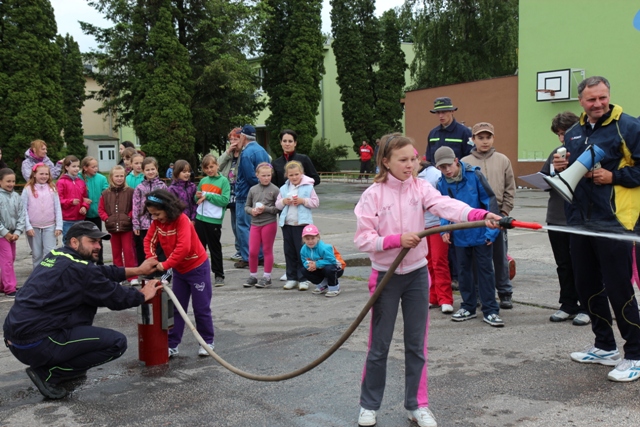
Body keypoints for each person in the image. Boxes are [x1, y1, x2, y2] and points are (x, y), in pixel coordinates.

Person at [354, 134, 501, 427]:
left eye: (413, 159)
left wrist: (480, 214)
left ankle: (417, 405)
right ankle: (368, 405)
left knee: (416, 344)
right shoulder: (373, 195)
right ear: (386, 162)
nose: (410, 165)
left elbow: (447, 206)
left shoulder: (421, 187)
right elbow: (363, 239)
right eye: (403, 160)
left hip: (417, 275)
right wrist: (396, 240)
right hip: (385, 276)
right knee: (379, 345)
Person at [3, 221, 161, 399]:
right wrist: (142, 295)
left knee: (83, 304)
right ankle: (49, 373)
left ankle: (64, 366)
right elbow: (116, 297)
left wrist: (138, 270)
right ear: (74, 242)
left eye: (99, 242)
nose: (98, 246)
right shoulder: (80, 270)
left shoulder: (57, 255)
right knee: (117, 343)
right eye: (92, 241)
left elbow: (100, 272)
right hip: (36, 343)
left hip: (15, 339)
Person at [552, 76, 640, 382]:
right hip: (580, 222)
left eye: (603, 97)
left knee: (619, 288)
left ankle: (635, 353)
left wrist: (614, 177)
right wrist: (561, 168)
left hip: (614, 222)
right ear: (581, 101)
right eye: (592, 99)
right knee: (587, 285)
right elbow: (573, 172)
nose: (598, 104)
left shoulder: (629, 126)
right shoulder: (573, 132)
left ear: (609, 95)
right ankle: (604, 346)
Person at [435, 146, 503, 327]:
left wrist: (491, 232)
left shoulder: (475, 175)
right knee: (463, 272)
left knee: (485, 272)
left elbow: (490, 202)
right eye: (442, 167)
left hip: (481, 233)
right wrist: (444, 229)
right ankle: (468, 306)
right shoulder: (441, 183)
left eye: (449, 165)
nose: (447, 170)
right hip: (460, 236)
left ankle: (490, 310)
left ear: (456, 160)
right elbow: (443, 208)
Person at [144, 190, 215, 358]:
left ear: (168, 209)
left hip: (197, 268)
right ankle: (172, 344)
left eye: (157, 214)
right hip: (179, 270)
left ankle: (207, 342)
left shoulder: (182, 221)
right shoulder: (157, 223)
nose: (155, 218)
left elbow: (183, 248)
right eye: (152, 214)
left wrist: (164, 265)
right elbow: (149, 240)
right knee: (177, 307)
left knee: (201, 308)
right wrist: (151, 259)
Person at [540, 111, 590, 326]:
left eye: (565, 133)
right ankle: (568, 304)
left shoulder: (586, 150)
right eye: (559, 134)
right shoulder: (556, 153)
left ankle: (588, 307)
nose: (562, 138)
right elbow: (544, 178)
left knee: (584, 265)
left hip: (580, 219)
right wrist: (552, 174)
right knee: (563, 264)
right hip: (557, 217)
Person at [462, 122, 516, 309]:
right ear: (473, 139)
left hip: (498, 215)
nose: (485, 141)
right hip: (476, 218)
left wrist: (504, 212)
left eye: (488, 137)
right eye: (480, 138)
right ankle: (479, 293)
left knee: (500, 257)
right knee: (477, 259)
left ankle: (504, 292)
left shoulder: (503, 160)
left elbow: (510, 188)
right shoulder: (465, 162)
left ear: (493, 138)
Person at [275, 161, 320, 291]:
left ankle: (304, 278)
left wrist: (303, 201)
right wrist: (284, 201)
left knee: (302, 252)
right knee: (289, 252)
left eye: (296, 174)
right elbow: (277, 204)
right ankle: (292, 278)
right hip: (287, 224)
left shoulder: (308, 187)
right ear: (287, 175)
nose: (294, 177)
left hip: (302, 224)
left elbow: (316, 203)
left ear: (301, 173)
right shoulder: (284, 188)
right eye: (291, 175)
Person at [417, 160, 453, 314]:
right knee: (427, 263)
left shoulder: (434, 175)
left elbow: (445, 198)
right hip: (421, 226)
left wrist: (446, 224)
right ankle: (433, 296)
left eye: (411, 159)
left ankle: (445, 298)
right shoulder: (407, 176)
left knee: (439, 261)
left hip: (437, 224)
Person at [233, 124, 270, 269]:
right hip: (260, 195)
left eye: (239, 136)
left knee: (243, 226)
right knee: (257, 226)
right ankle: (260, 256)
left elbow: (249, 177)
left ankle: (248, 257)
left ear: (243, 136)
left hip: (245, 195)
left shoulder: (246, 153)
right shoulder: (263, 151)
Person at [194, 154, 230, 286]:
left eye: (211, 166)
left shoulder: (223, 181)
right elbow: (197, 199)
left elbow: (224, 200)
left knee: (214, 248)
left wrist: (207, 196)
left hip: (213, 220)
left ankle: (219, 275)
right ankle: (200, 273)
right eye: (206, 168)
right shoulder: (203, 181)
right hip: (200, 218)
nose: (209, 170)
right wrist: (197, 196)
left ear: (217, 166)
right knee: (199, 248)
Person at [243, 162, 280, 288]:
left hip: (269, 223)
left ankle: (267, 276)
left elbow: (278, 208)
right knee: (253, 251)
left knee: (267, 250)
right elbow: (246, 207)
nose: (266, 178)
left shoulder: (275, 189)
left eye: (268, 175)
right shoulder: (252, 189)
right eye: (263, 175)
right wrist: (252, 211)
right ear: (257, 175)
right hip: (255, 223)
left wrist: (266, 209)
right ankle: (253, 275)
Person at [98, 165, 137, 282]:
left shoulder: (130, 192)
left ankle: (132, 276)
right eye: (117, 176)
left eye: (121, 176)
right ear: (111, 177)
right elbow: (101, 209)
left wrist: (128, 217)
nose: (119, 178)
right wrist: (107, 219)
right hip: (112, 228)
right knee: (116, 253)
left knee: (128, 251)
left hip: (127, 227)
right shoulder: (105, 193)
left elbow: (134, 207)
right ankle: (118, 276)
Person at [21, 163, 63, 269]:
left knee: (50, 252)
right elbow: (23, 209)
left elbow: (57, 208)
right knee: (37, 254)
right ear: (34, 174)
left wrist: (59, 226)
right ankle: (38, 274)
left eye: (46, 174)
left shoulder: (52, 188)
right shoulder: (27, 189)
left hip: (50, 226)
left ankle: (50, 273)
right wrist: (28, 226)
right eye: (41, 174)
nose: (44, 176)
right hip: (33, 227)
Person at [300, 224, 345, 297]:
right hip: (320, 268)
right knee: (303, 270)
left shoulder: (324, 247)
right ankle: (323, 285)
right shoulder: (303, 249)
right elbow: (304, 261)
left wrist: (316, 264)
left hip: (337, 267)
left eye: (313, 238)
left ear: (318, 237)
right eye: (307, 239)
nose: (310, 241)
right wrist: (309, 266)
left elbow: (332, 261)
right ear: (303, 239)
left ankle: (334, 288)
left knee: (329, 269)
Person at [218, 127, 243, 261]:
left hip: (242, 193)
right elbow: (216, 166)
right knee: (234, 224)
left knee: (242, 223)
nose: (233, 142)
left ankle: (245, 249)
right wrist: (227, 152)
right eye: (231, 139)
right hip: (230, 193)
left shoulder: (246, 153)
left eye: (236, 139)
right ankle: (239, 249)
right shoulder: (229, 155)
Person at [0, 168, 25, 298]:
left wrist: (17, 231)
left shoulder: (16, 196)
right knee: (7, 259)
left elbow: (22, 214)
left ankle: (3, 285)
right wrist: (5, 232)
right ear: (0, 181)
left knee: (11, 258)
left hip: (12, 234)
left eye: (13, 181)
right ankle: (10, 288)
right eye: (8, 181)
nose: (11, 184)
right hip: (2, 235)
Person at [425, 97, 473, 164]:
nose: (440, 116)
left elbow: (470, 158)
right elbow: (429, 159)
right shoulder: (433, 133)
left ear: (452, 111)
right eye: (438, 112)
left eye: (443, 112)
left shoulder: (464, 132)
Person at [81, 156, 109, 265]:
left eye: (96, 166)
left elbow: (106, 192)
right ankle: (86, 262)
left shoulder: (102, 178)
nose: (96, 169)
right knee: (85, 239)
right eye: (93, 167)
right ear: (85, 168)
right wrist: (82, 200)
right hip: (84, 214)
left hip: (97, 214)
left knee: (98, 238)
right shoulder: (79, 178)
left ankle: (100, 262)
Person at [56, 155, 90, 240]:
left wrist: (84, 206)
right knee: (68, 241)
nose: (76, 169)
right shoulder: (61, 182)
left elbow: (85, 198)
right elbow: (58, 200)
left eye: (78, 166)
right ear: (66, 167)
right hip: (67, 219)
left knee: (80, 241)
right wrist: (70, 202)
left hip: (80, 218)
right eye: (74, 166)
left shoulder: (81, 182)